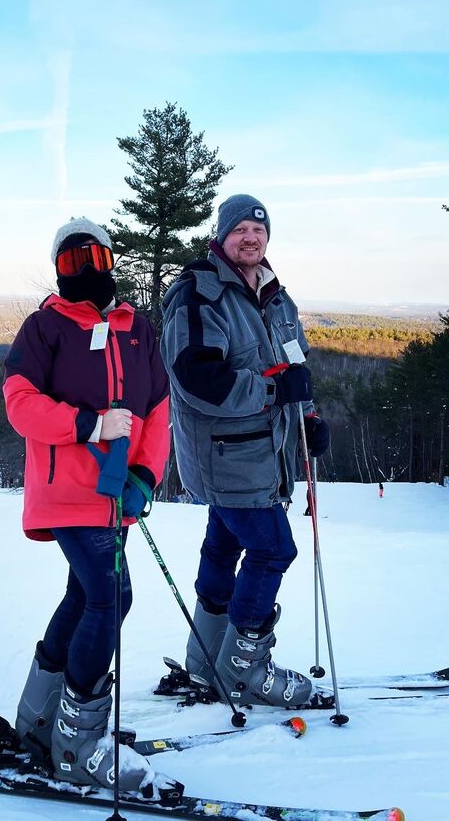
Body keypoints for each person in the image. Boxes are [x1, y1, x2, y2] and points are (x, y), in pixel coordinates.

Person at [2, 218, 178, 798]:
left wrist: (146, 476)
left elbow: (156, 408)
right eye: (74, 261)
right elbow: (21, 404)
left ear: (111, 259)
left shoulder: (136, 328)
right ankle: (77, 744)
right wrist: (88, 424)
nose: (89, 270)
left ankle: (40, 722)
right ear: (58, 269)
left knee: (85, 595)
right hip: (66, 490)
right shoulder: (44, 327)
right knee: (111, 596)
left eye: (97, 257)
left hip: (114, 491)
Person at [160, 194, 330, 707]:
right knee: (274, 549)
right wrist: (276, 392)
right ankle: (244, 669)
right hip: (223, 455)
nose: (250, 238)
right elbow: (197, 380)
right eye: (240, 231)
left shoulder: (277, 297)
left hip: (263, 453)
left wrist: (309, 415)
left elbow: (293, 366)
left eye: (259, 231)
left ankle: (206, 659)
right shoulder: (199, 294)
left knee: (224, 545)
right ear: (222, 235)